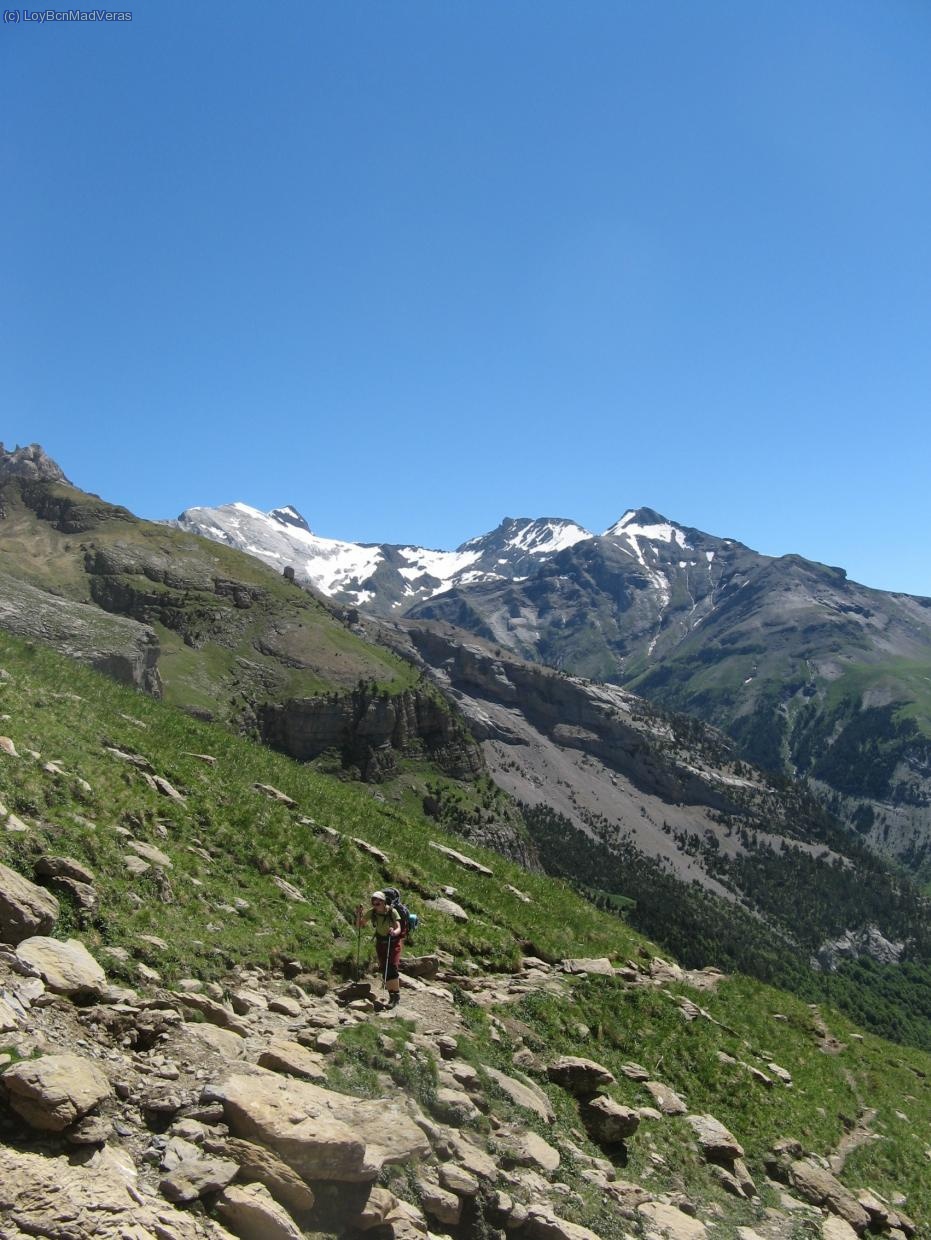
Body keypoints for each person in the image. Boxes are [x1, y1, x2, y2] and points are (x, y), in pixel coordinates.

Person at [356, 890, 403, 1007]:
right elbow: (359, 924)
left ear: (383, 902)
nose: (375, 905)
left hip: (392, 942)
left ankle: (395, 997)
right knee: (385, 969)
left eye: (378, 903)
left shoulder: (392, 911)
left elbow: (399, 928)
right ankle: (392, 996)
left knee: (391, 968)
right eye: (374, 903)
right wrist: (359, 914)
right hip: (381, 942)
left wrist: (394, 932)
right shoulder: (372, 913)